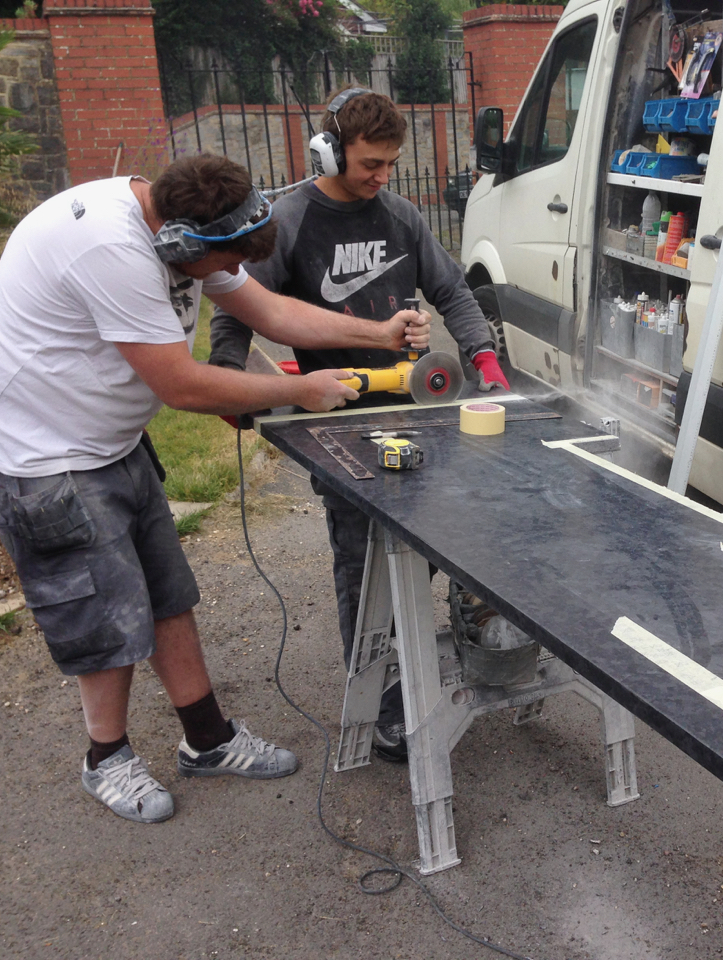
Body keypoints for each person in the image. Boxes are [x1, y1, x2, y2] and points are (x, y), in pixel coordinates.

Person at [0, 154, 430, 824]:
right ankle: (105, 758)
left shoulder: (193, 220)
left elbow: (271, 309)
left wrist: (374, 332)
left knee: (167, 594)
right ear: (181, 244)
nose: (219, 281)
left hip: (105, 440)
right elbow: (182, 385)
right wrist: (299, 389)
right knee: (101, 614)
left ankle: (207, 740)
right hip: (38, 454)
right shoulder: (110, 252)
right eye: (215, 266)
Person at [208, 89, 508, 762]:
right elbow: (236, 311)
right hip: (336, 419)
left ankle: (445, 656)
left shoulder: (399, 215)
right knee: (363, 564)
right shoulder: (289, 220)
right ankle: (376, 695)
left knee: (441, 538)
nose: (381, 177)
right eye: (370, 163)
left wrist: (485, 359)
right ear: (329, 150)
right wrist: (230, 376)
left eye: (390, 164)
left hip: (416, 405)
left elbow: (453, 290)